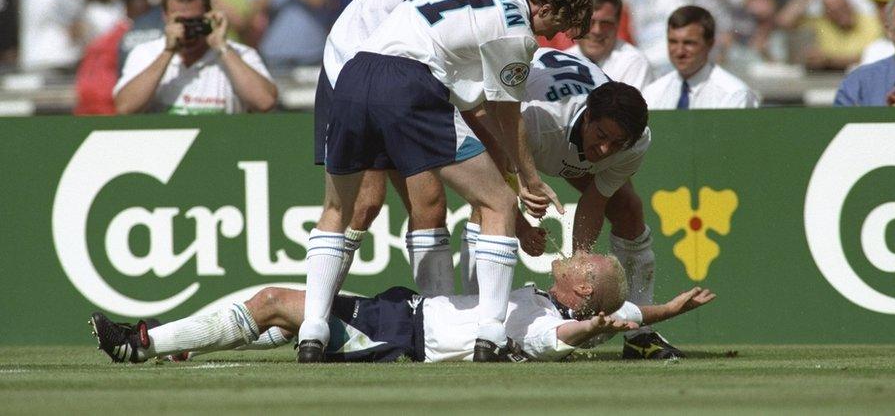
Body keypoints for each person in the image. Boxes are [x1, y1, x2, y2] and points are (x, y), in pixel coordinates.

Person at [299, 0, 591, 363]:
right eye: (559, 24)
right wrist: (529, 179)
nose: (550, 38)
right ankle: (490, 333)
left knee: (337, 209)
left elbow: (468, 97)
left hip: (353, 75)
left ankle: (312, 329)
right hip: (408, 83)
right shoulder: (516, 31)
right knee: (498, 204)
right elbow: (508, 113)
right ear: (546, 5)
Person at [316, 0, 526, 303]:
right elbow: (470, 108)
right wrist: (509, 164)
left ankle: (435, 314)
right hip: (354, 66)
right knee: (363, 203)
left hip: (394, 75)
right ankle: (314, 311)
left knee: (428, 201)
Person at [90, 251, 716, 363]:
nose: (578, 254)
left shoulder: (547, 320)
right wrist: (668, 310)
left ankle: (139, 344)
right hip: (404, 311)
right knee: (282, 309)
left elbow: (561, 340)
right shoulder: (555, 299)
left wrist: (589, 329)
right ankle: (179, 341)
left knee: (276, 302)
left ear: (581, 293)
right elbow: (627, 316)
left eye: (587, 263)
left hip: (403, 335)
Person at [463, 50, 680, 360]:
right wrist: (523, 227)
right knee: (487, 205)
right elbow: (497, 176)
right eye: (601, 135)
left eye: (617, 143)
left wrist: (580, 267)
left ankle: (638, 335)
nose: (605, 150)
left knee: (628, 209)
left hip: (559, 140)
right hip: (502, 122)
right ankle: (477, 324)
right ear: (588, 116)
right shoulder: (538, 121)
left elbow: (595, 200)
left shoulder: (636, 142)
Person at [113, 0, 278, 114]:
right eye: (180, 22)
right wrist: (168, 52)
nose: (187, 29)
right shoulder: (146, 54)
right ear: (165, 17)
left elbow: (265, 102)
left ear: (209, 15)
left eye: (194, 21)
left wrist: (222, 47)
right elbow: (125, 107)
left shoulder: (239, 54)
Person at [644, 6, 759, 109]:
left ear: (710, 44)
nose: (679, 51)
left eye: (689, 43)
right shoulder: (653, 93)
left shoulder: (734, 94)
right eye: (673, 42)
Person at [565, 0, 656, 101]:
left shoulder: (633, 62)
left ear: (618, 25)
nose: (597, 31)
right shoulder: (561, 61)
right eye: (589, 22)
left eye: (606, 23)